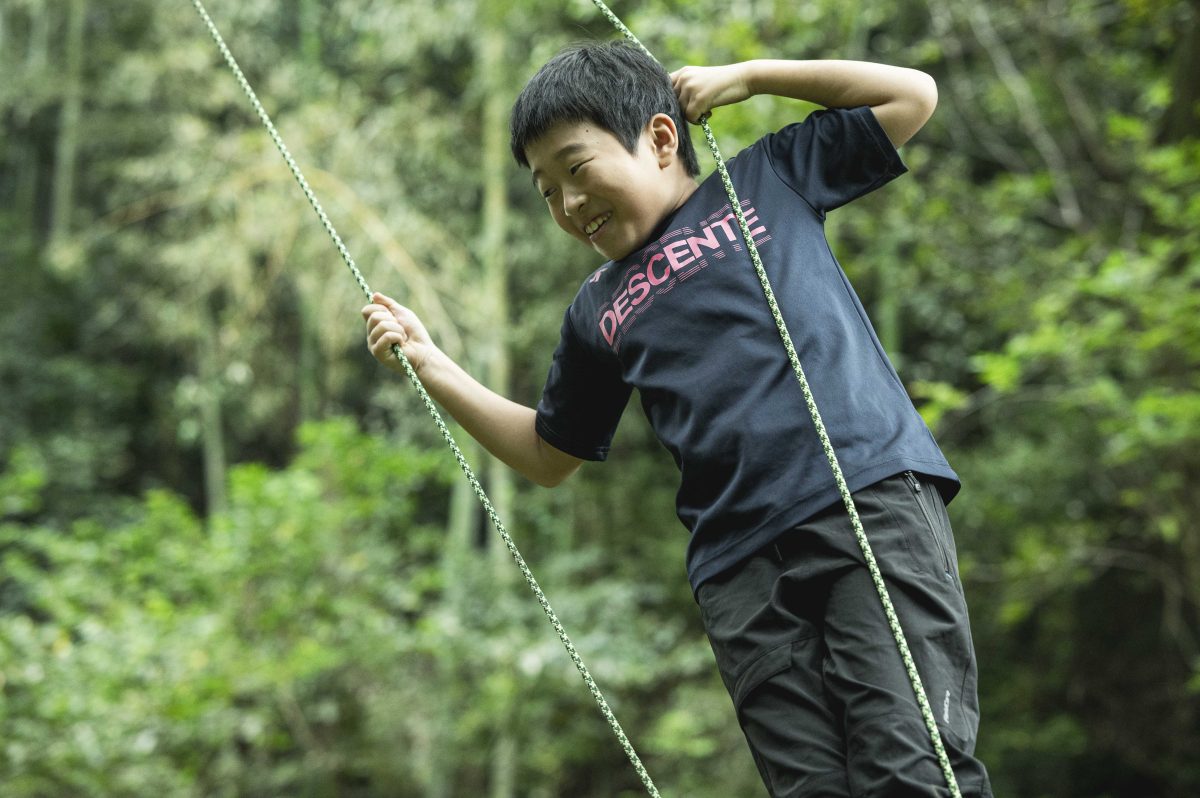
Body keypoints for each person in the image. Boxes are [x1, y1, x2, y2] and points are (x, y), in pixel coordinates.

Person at [363, 40, 992, 798]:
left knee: (909, 771)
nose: (567, 204)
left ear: (661, 139)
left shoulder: (766, 183)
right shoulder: (597, 308)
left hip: (864, 503)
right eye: (545, 191)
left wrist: (752, 78)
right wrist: (435, 366)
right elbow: (547, 455)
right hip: (738, 569)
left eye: (576, 167)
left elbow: (911, 96)